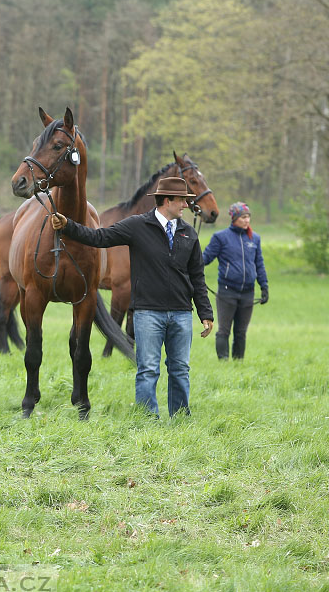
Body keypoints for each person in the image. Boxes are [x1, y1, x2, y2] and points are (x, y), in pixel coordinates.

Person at [51, 176, 213, 417]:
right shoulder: (137, 226)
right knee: (147, 369)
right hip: (147, 313)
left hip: (181, 313)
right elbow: (100, 238)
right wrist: (67, 226)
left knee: (180, 369)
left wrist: (205, 313)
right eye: (182, 200)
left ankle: (180, 418)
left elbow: (197, 277)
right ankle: (147, 419)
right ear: (167, 201)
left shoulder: (188, 233)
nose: (186, 205)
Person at [202, 201, 268, 361]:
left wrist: (264, 286)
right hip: (227, 291)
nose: (247, 220)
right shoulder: (220, 238)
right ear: (234, 218)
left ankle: (238, 363)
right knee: (224, 330)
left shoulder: (254, 239)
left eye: (248, 217)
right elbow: (204, 259)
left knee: (241, 332)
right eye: (243, 217)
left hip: (248, 292)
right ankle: (223, 362)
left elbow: (259, 263)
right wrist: (191, 268)